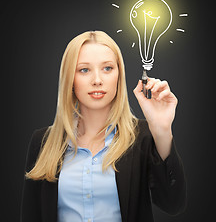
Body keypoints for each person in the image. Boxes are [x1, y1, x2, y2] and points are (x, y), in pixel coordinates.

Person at [20, 31, 187, 222]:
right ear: (70, 80)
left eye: (107, 68)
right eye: (84, 70)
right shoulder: (42, 142)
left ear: (119, 75)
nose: (97, 80)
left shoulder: (142, 137)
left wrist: (161, 130)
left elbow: (174, 204)